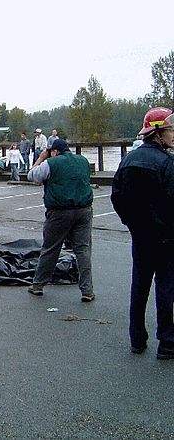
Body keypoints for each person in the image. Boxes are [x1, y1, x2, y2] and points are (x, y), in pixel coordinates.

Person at [111, 107, 174, 359]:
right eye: (170, 130)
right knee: (166, 288)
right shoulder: (168, 164)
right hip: (167, 238)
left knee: (139, 286)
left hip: (141, 237)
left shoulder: (127, 161)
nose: (173, 135)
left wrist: (133, 224)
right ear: (158, 133)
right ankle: (167, 343)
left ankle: (137, 338)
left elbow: (117, 198)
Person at [27, 139, 94, 302]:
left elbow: (32, 176)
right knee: (83, 249)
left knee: (51, 248)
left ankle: (38, 284)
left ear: (55, 151)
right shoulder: (83, 160)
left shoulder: (51, 163)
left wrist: (40, 159)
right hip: (84, 209)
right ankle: (87, 290)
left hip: (59, 211)